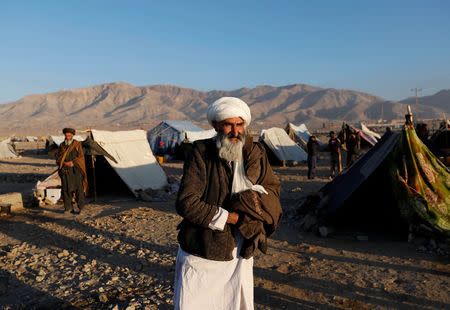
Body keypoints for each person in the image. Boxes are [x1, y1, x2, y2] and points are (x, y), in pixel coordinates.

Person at [174, 97, 282, 309]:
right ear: (215, 125)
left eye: (239, 124)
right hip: (205, 248)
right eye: (228, 124)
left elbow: (273, 188)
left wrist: (256, 206)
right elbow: (186, 203)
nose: (235, 132)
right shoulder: (201, 152)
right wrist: (232, 218)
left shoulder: (256, 152)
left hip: (242, 246)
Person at [55, 128, 87, 214]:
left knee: (78, 189)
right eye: (66, 135)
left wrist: (73, 162)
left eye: (69, 135)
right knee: (66, 189)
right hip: (65, 171)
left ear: (73, 135)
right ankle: (68, 208)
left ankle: (81, 208)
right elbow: (58, 158)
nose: (68, 136)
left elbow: (81, 157)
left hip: (76, 170)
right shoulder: (61, 146)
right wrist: (65, 163)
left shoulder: (77, 144)